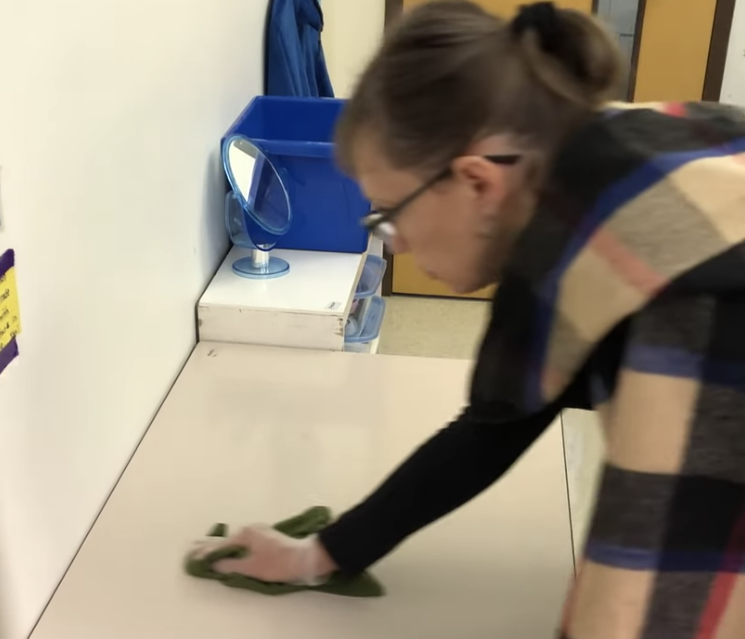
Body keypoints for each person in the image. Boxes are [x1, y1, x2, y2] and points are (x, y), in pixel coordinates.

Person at [193, 1, 745, 636]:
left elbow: (661, 592)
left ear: (477, 182)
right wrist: (325, 553)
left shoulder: (683, 295)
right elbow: (498, 425)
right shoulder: (581, 169)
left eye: (389, 212)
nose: (391, 242)